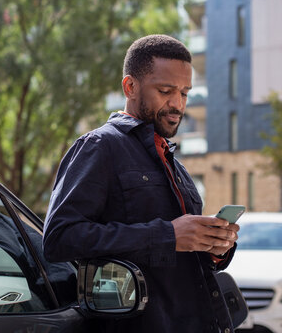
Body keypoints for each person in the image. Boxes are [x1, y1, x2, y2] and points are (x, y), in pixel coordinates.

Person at [43, 34, 239, 332]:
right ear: (130, 86)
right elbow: (60, 238)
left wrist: (214, 245)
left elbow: (179, 256)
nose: (177, 104)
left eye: (185, 93)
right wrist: (168, 235)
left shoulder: (173, 162)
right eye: (165, 91)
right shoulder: (100, 146)